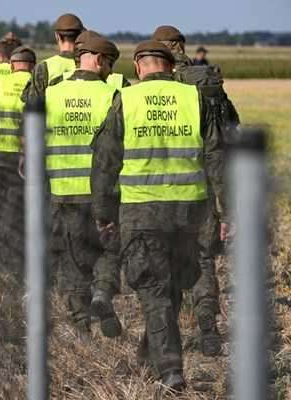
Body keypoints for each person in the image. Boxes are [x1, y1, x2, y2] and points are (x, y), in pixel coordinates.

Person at [91, 41, 227, 391]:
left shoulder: (126, 100)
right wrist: (227, 210)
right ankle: (151, 358)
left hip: (141, 211)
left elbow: (105, 161)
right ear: (171, 66)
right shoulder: (194, 98)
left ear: (139, 67)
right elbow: (216, 156)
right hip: (189, 212)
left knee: (154, 292)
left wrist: (103, 213)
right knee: (173, 287)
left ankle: (170, 370)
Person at [152, 25, 240, 357]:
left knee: (162, 260)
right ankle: (208, 327)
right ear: (182, 47)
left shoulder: (150, 87)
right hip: (200, 190)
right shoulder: (207, 84)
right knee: (203, 258)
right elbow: (227, 136)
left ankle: (163, 336)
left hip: (158, 190)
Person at [35, 36, 123, 339]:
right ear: (98, 59)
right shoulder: (112, 94)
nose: (109, 71)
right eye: (109, 64)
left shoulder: (51, 93)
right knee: (109, 249)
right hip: (103, 193)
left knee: (71, 260)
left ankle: (81, 326)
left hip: (61, 191)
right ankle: (102, 293)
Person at [21, 13, 85, 103]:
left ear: (57, 36)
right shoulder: (89, 64)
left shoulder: (44, 67)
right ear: (80, 36)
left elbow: (33, 103)